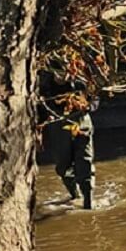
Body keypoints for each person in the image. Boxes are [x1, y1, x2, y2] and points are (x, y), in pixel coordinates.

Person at [43, 79, 96, 209]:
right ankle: (75, 195)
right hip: (58, 123)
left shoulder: (82, 76)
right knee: (63, 166)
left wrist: (89, 106)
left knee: (85, 161)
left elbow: (95, 97)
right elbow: (43, 101)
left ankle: (88, 203)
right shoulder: (47, 80)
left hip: (82, 122)